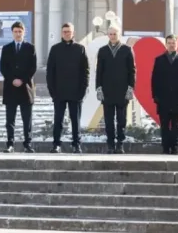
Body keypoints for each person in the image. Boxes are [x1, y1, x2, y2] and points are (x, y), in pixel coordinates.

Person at [46, 22, 89, 154]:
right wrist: (52, 91)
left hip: (76, 92)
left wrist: (82, 90)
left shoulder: (80, 49)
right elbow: (50, 72)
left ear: (73, 33)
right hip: (59, 92)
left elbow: (85, 71)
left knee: (75, 120)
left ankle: (76, 144)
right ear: (61, 33)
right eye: (64, 31)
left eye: (69, 32)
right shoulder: (55, 49)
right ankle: (56, 145)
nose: (66, 34)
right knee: (58, 119)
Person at [95, 26, 136, 154]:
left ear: (119, 35)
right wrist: (99, 88)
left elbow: (132, 71)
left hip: (122, 91)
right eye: (110, 34)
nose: (112, 36)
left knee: (121, 120)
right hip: (107, 91)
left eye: (115, 34)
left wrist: (130, 88)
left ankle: (120, 144)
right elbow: (99, 71)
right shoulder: (102, 51)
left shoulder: (127, 50)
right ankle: (110, 144)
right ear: (108, 35)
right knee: (108, 120)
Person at [0, 21, 37, 153]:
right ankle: (10, 144)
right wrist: (12, 79)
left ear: (24, 32)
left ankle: (27, 144)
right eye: (15, 31)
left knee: (27, 119)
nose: (18, 33)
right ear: (12, 33)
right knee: (10, 119)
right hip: (11, 88)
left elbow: (33, 68)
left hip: (25, 88)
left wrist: (22, 80)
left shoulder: (30, 48)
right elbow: (3, 67)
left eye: (20, 31)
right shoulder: (6, 48)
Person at [151, 34, 178, 155]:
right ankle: (165, 148)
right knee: (164, 124)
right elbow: (154, 79)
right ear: (166, 44)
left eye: (173, 43)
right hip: (163, 99)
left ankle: (174, 147)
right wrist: (155, 96)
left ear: (177, 44)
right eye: (169, 43)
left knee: (175, 125)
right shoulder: (159, 60)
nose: (171, 45)